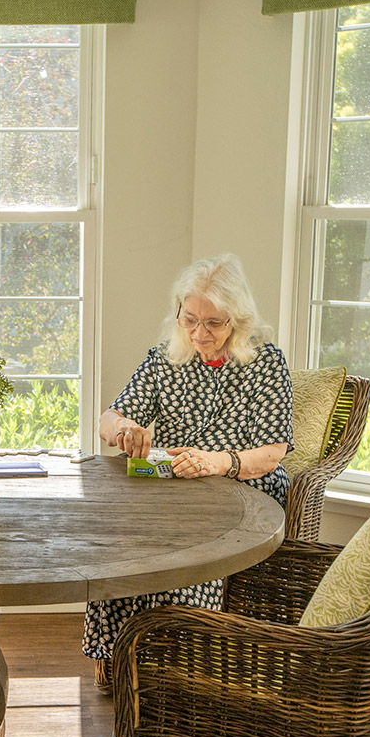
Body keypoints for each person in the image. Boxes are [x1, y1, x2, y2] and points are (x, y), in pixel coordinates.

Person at [85, 253, 294, 669]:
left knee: (188, 548)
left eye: (213, 323)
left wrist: (216, 463)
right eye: (189, 319)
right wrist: (125, 429)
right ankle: (122, 660)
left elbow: (272, 453)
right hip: (172, 482)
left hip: (240, 486)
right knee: (121, 543)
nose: (199, 333)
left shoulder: (266, 364)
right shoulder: (165, 358)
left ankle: (178, 665)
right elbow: (107, 420)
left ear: (238, 320)